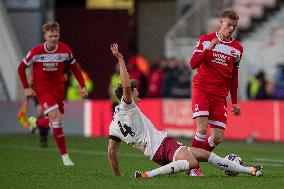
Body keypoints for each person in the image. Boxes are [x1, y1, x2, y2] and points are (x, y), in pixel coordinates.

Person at [108, 43, 263, 178]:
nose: (137, 92)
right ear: (126, 95)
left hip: (157, 149)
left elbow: (111, 152)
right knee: (192, 163)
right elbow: (127, 86)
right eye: (135, 91)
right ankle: (147, 175)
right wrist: (121, 59)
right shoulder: (126, 107)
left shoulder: (114, 125)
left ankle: (250, 170)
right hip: (161, 146)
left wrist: (117, 176)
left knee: (205, 154)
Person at [18, 21, 88, 166]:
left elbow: (75, 68)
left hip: (58, 88)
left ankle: (34, 122)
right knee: (55, 117)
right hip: (42, 89)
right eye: (51, 36)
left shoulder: (65, 50)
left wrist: (82, 86)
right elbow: (21, 68)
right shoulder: (36, 51)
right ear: (45, 36)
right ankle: (65, 157)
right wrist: (26, 87)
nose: (54, 38)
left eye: (56, 35)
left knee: (57, 119)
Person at [188, 9, 243, 176]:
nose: (231, 29)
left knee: (218, 136)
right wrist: (208, 49)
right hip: (203, 89)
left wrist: (234, 101)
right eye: (229, 25)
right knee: (202, 129)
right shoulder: (205, 40)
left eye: (234, 26)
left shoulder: (237, 49)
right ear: (221, 22)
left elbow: (234, 77)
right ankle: (193, 167)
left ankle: (192, 157)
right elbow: (193, 64)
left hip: (220, 95)